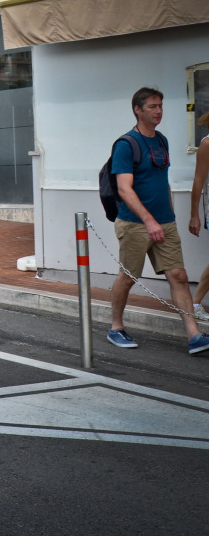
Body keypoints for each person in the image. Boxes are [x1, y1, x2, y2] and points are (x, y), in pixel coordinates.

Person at [108, 87, 209, 354]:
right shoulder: (126, 144)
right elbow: (124, 189)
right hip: (134, 223)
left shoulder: (161, 140)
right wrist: (149, 220)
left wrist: (170, 214)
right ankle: (116, 327)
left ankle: (194, 336)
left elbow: (162, 181)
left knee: (178, 275)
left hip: (165, 221)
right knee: (128, 277)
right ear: (137, 110)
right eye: (152, 106)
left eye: (160, 106)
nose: (159, 111)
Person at [187, 110, 209, 322]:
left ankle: (195, 301)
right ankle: (195, 302)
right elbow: (198, 180)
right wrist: (194, 214)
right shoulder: (207, 144)